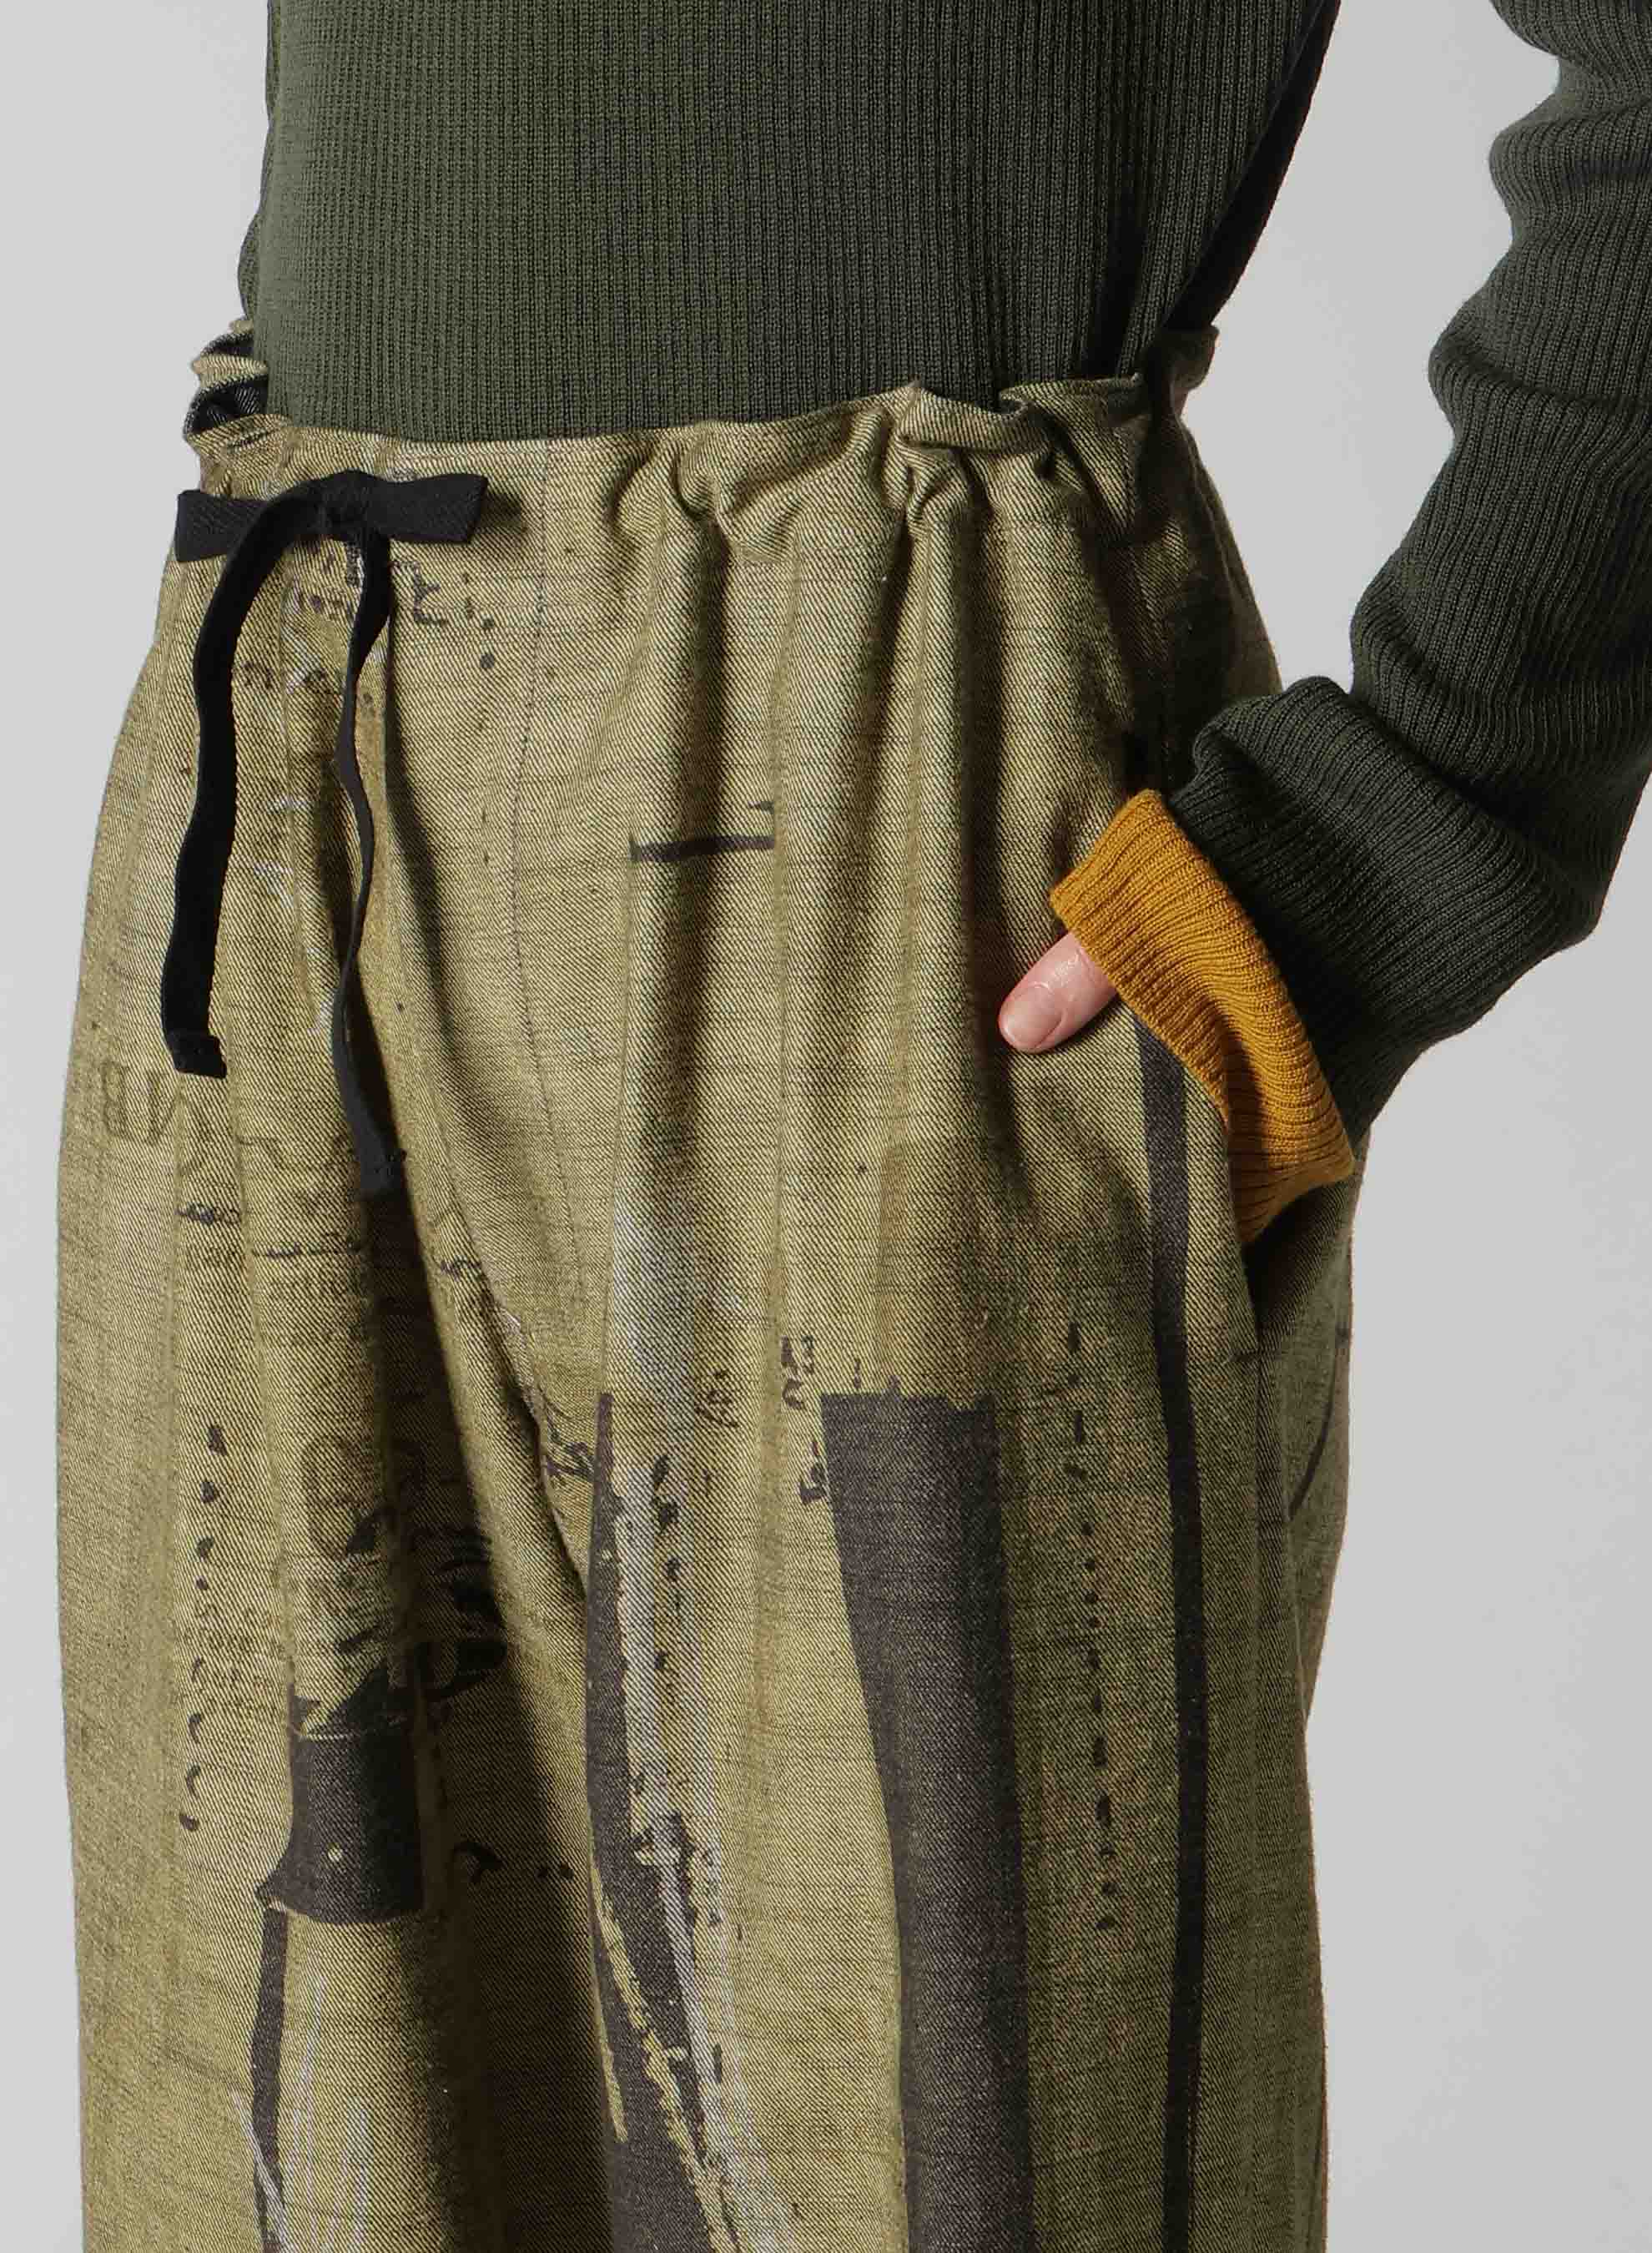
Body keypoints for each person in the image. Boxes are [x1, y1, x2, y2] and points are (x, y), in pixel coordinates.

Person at [54, 5, 1651, 2250]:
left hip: (892, 793)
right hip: (296, 716)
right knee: (290, 2147)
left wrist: (1390, 839)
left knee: (946, 2146)